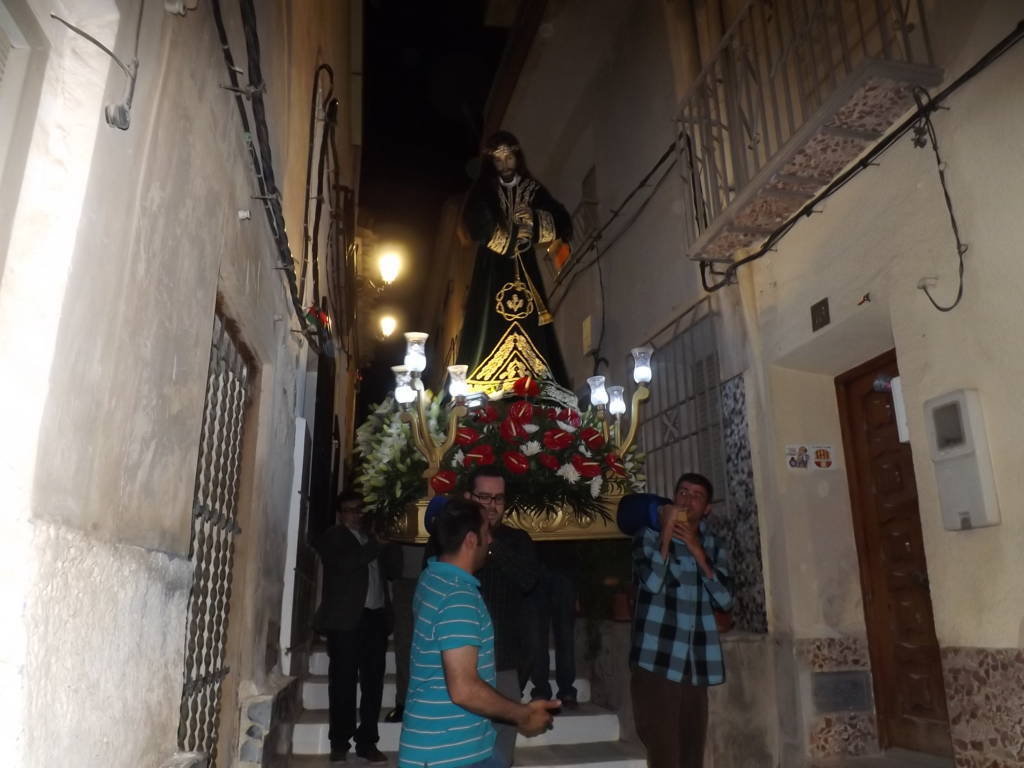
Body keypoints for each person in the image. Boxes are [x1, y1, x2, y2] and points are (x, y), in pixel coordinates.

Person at [398, 498, 559, 768]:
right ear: (471, 540)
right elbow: (463, 689)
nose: (491, 540)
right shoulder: (458, 598)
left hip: (454, 747)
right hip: (447, 755)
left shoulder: (432, 577)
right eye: (487, 532)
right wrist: (522, 714)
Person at [618, 473, 734, 768]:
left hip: (695, 663)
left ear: (706, 508)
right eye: (683, 492)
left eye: (697, 495)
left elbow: (725, 600)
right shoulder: (647, 536)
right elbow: (653, 582)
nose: (687, 499)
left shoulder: (713, 544)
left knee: (692, 754)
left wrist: (697, 551)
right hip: (656, 660)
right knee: (664, 754)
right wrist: (667, 531)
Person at [459, 131, 574, 404]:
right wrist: (511, 235)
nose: (505, 165)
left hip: (526, 268)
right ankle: (485, 384)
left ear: (517, 157)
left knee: (532, 323)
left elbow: (562, 220)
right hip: (492, 270)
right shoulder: (484, 191)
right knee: (489, 322)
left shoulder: (532, 189)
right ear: (491, 163)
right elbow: (475, 222)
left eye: (509, 157)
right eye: (498, 160)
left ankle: (536, 384)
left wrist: (534, 221)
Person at [312, 492, 397, 764]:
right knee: (343, 682)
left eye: (360, 509)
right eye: (350, 510)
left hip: (375, 618)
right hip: (345, 620)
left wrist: (389, 544)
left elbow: (393, 571)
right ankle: (339, 742)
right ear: (340, 514)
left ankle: (367, 742)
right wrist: (375, 545)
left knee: (373, 683)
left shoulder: (372, 537)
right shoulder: (333, 536)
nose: (356, 515)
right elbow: (346, 564)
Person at [468, 466, 543, 768]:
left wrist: (490, 541)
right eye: (484, 497)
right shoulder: (452, 540)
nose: (491, 505)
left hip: (504, 662)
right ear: (469, 498)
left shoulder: (517, 540)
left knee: (501, 753)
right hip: (463, 662)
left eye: (498, 498)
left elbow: (528, 579)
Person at [525, 542, 579, 709]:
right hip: (534, 567)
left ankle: (566, 689)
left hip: (563, 566)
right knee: (537, 635)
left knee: (565, 634)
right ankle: (541, 690)